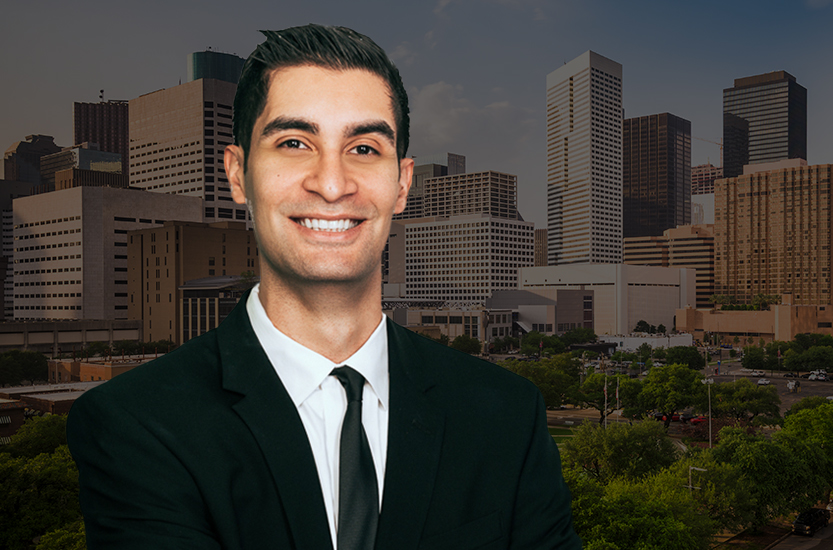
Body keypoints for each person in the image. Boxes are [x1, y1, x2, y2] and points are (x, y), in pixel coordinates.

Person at [67, 24, 581, 549]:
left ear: (402, 184)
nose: (332, 184)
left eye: (363, 147)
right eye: (294, 143)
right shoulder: (136, 425)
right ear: (239, 173)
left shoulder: (506, 414)